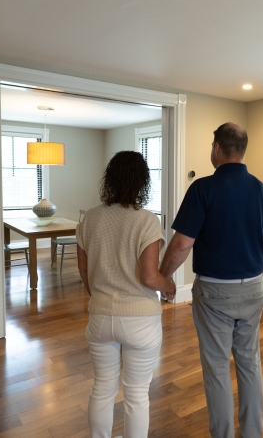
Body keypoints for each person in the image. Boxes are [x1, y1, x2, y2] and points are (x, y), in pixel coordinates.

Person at [159, 122, 263, 438]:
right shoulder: (261, 190)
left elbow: (182, 243)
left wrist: (164, 276)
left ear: (217, 148)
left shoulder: (202, 189)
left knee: (216, 369)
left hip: (214, 292)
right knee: (250, 363)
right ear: (242, 150)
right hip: (253, 286)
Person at [76, 151, 177, 438]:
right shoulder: (146, 221)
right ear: (142, 183)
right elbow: (149, 276)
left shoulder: (90, 219)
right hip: (140, 321)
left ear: (110, 179)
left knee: (102, 387)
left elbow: (84, 272)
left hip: (99, 317)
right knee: (136, 394)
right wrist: (170, 287)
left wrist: (101, 299)